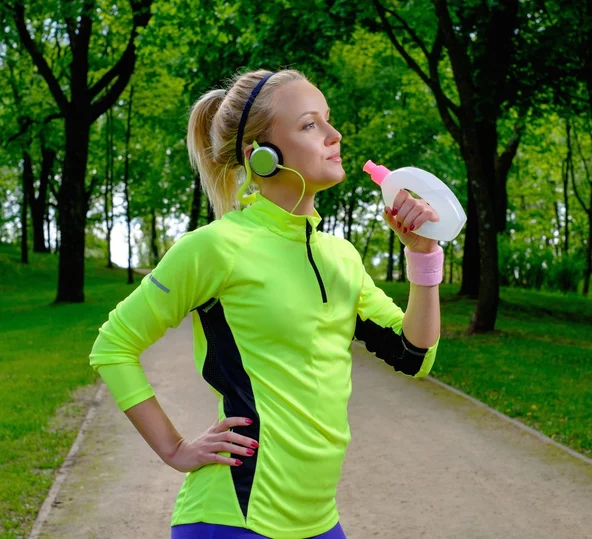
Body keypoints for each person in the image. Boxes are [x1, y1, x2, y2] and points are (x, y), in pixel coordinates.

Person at [89, 68, 442, 539]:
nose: (334, 136)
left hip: (319, 523)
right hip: (233, 519)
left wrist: (423, 258)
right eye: (310, 124)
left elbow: (413, 354)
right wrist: (174, 449)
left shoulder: (340, 257)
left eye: (328, 120)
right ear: (262, 155)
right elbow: (113, 346)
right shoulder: (215, 248)